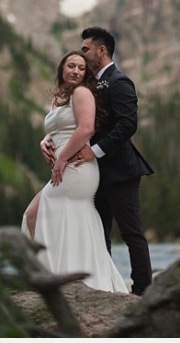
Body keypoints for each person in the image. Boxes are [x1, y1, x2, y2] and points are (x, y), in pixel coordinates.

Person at [41, 27, 154, 295]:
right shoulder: (87, 85)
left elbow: (128, 124)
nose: (82, 54)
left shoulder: (120, 82)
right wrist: (48, 139)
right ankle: (103, 289)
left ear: (101, 51)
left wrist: (96, 151)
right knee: (98, 233)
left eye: (86, 49)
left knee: (131, 234)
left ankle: (142, 292)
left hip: (120, 171)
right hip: (92, 174)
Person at [21, 51, 129, 293]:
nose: (76, 71)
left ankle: (51, 279)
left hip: (77, 168)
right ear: (62, 69)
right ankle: (59, 276)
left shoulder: (82, 93)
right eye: (71, 66)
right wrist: (44, 140)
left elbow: (86, 129)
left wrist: (61, 159)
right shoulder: (60, 98)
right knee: (52, 216)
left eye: (81, 68)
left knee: (34, 215)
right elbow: (58, 128)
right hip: (66, 167)